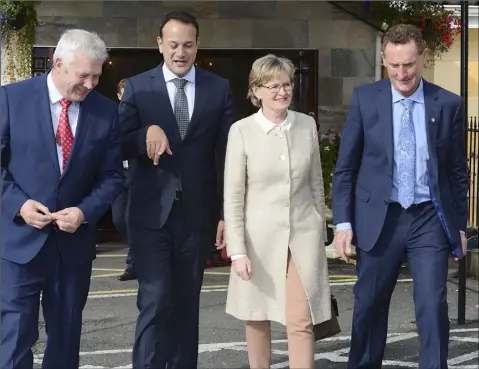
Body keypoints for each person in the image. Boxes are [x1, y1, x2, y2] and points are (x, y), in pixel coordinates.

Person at [332, 24, 468, 369]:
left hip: (428, 219)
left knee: (432, 304)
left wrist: (460, 227)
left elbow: (456, 173)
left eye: (408, 64)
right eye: (393, 65)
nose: (401, 73)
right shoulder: (366, 99)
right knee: (369, 304)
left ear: (422, 56)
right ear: (383, 59)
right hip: (379, 217)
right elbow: (346, 167)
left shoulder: (448, 104)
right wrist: (343, 222)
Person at [1, 29, 123, 369]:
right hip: (18, 244)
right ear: (57, 64)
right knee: (13, 336)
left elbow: (113, 176)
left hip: (72, 247)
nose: (90, 83)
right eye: (83, 75)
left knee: (66, 337)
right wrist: (20, 205)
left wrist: (85, 212)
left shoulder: (106, 111)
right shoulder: (11, 99)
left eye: (96, 76)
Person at [119, 10, 234, 369]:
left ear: (198, 45)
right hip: (150, 215)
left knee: (186, 303)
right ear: (159, 45)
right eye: (172, 45)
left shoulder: (219, 88)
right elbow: (116, 143)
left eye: (187, 45)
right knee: (154, 299)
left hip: (197, 216)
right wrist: (143, 135)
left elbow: (228, 156)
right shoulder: (139, 87)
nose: (180, 52)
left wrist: (226, 215)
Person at [223, 54, 331, 369]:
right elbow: (233, 196)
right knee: (257, 318)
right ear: (256, 91)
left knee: (301, 319)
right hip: (257, 242)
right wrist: (237, 250)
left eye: (286, 85)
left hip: (302, 237)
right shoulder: (241, 131)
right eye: (273, 86)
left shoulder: (306, 124)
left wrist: (318, 223)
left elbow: (316, 184)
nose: (282, 92)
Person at [111, 79, 136, 281]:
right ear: (119, 96)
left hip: (136, 176)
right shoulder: (112, 116)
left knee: (132, 218)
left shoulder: (141, 116)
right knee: (119, 219)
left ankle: (133, 263)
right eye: (124, 94)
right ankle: (136, 252)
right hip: (119, 176)